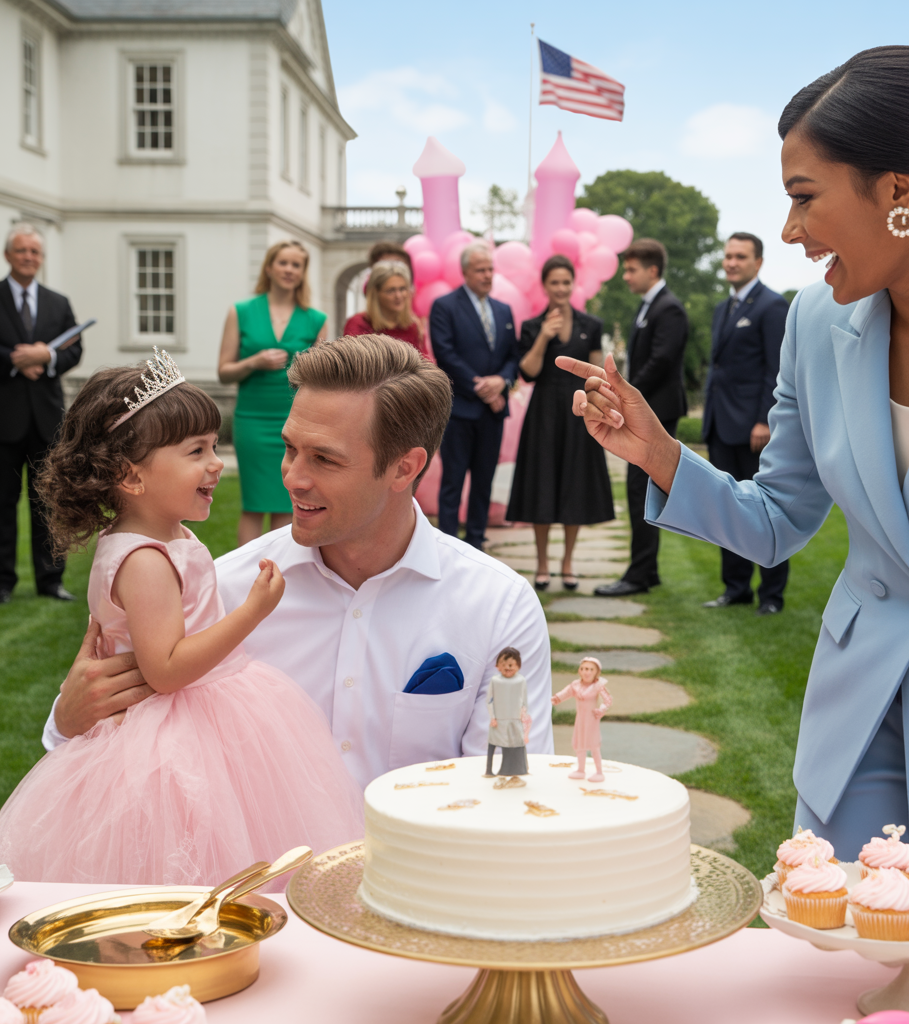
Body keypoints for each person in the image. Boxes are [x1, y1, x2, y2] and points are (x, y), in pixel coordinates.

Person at [557, 46, 909, 861]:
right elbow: (776, 520)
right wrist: (660, 454)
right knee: (827, 938)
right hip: (854, 740)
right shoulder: (814, 324)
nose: (789, 231)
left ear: (900, 190)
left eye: (804, 197)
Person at [43, 336, 553, 790]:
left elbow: (509, 787)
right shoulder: (221, 590)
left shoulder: (497, 606)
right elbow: (104, 738)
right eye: (290, 448)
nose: (292, 477)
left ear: (405, 468)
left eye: (324, 459)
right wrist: (67, 720)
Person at [0, 353, 361, 884]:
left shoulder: (160, 537)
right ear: (131, 476)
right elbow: (166, 669)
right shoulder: (144, 561)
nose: (216, 464)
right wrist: (252, 612)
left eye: (214, 446)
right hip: (170, 729)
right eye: (196, 451)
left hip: (199, 713)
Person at [506, 255, 613, 590]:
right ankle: (541, 563)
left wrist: (596, 406)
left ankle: (567, 563)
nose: (561, 288)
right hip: (543, 413)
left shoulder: (591, 325)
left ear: (573, 284)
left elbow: (596, 374)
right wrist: (543, 336)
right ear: (545, 285)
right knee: (541, 484)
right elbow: (528, 373)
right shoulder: (531, 326)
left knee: (574, 484)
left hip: (579, 411)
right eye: (555, 282)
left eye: (566, 282)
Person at [594, 239, 688, 598]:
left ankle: (639, 574)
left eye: (631, 270)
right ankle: (647, 570)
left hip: (657, 414)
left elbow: (661, 361)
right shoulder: (649, 306)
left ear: (652, 270)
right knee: (642, 491)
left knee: (641, 490)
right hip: (647, 410)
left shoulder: (669, 309)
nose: (625, 276)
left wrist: (623, 392)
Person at [702, 232, 790, 615]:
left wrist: (764, 419)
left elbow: (777, 368)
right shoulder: (723, 308)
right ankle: (735, 588)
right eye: (728, 256)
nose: (731, 262)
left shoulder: (772, 306)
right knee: (728, 511)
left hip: (754, 429)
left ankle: (771, 595)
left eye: (740, 256)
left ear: (758, 262)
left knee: (765, 512)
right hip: (720, 425)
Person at [218, 240, 327, 548]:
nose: (289, 270)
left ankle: (280, 569)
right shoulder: (241, 312)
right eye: (283, 263)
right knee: (253, 504)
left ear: (303, 272)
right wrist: (254, 362)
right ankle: (245, 570)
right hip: (252, 419)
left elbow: (320, 379)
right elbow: (224, 372)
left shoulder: (316, 319)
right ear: (269, 267)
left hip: (295, 421)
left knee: (286, 501)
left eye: (296, 265)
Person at [0, 223, 82, 604]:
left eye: (34, 251)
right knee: (2, 504)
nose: (28, 257)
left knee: (49, 503)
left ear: (41, 258)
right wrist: (16, 360)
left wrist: (47, 357)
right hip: (4, 419)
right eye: (21, 250)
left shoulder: (58, 303)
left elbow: (74, 349)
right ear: (8, 255)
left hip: (47, 420)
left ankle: (51, 581)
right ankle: (2, 582)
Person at [430, 244, 518, 550]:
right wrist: (483, 389)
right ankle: (447, 545)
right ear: (465, 272)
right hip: (460, 411)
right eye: (481, 270)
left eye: (490, 269)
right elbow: (445, 354)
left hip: (493, 414)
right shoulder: (445, 306)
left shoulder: (503, 310)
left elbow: (512, 356)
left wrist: (502, 381)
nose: (487, 275)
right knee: (453, 481)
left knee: (484, 481)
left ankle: (477, 542)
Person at [344, 260, 426, 357]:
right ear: (376, 293)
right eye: (391, 290)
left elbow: (425, 360)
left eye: (402, 289)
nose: (398, 296)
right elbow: (353, 360)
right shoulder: (358, 324)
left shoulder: (412, 325)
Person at [551, 657, 613, 782]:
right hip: (580, 719)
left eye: (590, 669)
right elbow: (565, 693)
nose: (587, 672)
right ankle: (580, 769)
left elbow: (608, 700)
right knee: (579, 744)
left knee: (594, 745)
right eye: (584, 669)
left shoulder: (598, 686)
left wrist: (601, 709)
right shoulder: (575, 685)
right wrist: (556, 698)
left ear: (596, 672)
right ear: (579, 670)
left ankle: (599, 772)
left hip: (592, 719)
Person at [484, 646, 531, 785]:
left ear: (518, 666)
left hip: (515, 719)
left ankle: (516, 772)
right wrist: (492, 717)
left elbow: (524, 700)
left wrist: (523, 715)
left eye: (510, 665)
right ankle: (490, 770)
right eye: (503, 664)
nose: (507, 668)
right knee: (495, 744)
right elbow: (489, 700)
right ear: (497, 666)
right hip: (498, 720)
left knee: (515, 745)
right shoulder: (495, 680)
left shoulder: (521, 680)